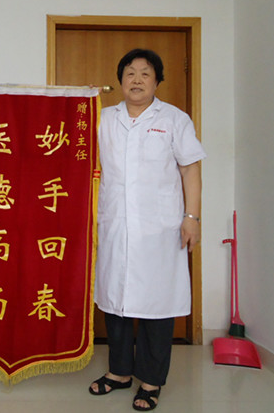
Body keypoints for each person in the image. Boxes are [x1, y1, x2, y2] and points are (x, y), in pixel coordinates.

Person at [88, 49, 206, 411]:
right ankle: (119, 373)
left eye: (145, 73)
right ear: (120, 81)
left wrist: (192, 217)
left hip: (160, 230)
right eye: (129, 73)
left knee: (158, 305)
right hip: (115, 225)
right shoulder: (103, 119)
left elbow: (190, 169)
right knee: (116, 302)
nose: (136, 79)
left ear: (157, 81)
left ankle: (151, 381)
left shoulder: (174, 119)